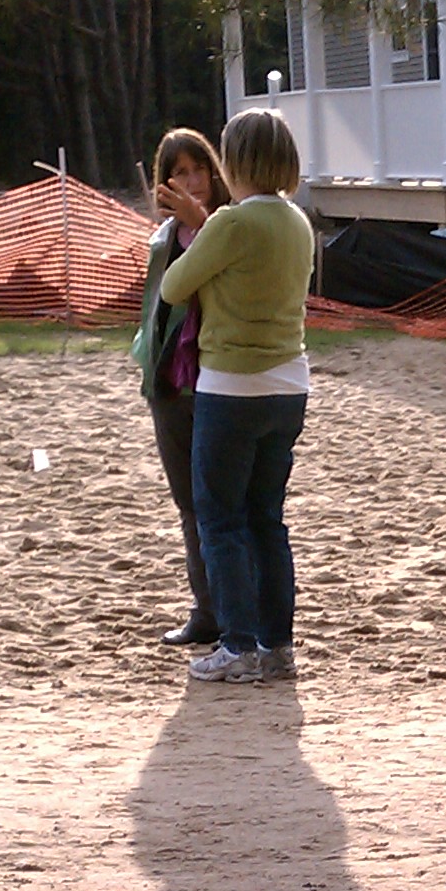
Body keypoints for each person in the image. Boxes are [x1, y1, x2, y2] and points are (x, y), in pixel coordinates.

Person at [156, 107, 313, 686]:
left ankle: (237, 644)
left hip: (231, 385)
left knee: (220, 519)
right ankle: (277, 646)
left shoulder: (231, 223)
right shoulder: (298, 222)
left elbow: (174, 286)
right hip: (288, 382)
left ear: (234, 162)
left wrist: (203, 228)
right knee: (267, 519)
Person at [134, 126, 230, 649]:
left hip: (219, 381)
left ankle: (238, 613)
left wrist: (202, 224)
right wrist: (151, 369)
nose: (192, 183)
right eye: (180, 174)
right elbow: (155, 311)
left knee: (223, 504)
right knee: (189, 504)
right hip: (171, 385)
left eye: (199, 171)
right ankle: (206, 611)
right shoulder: (163, 241)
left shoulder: (229, 229)